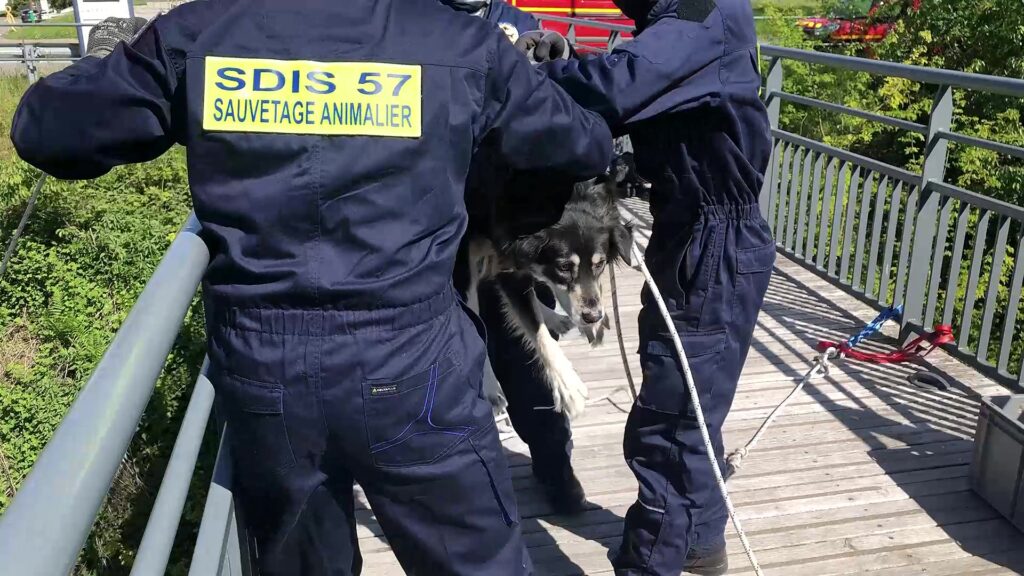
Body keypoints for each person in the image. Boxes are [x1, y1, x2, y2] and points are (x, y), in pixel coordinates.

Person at [10, 1, 613, 574]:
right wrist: (532, 75)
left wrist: (113, 60)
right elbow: (582, 143)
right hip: (411, 361)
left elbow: (46, 130)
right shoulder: (457, 41)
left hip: (264, 371)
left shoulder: (200, 34)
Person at [518, 1, 775, 574]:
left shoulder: (701, 14)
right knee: (690, 406)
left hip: (714, 240)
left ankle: (648, 562)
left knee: (671, 425)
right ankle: (700, 543)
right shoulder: (688, 19)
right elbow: (643, 79)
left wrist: (526, 76)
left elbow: (619, 82)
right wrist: (571, 58)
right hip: (697, 232)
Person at [442, 0, 592, 516]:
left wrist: (556, 55)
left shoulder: (511, 19)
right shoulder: (411, 19)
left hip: (505, 233)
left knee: (531, 374)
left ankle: (554, 467)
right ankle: (469, 491)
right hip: (441, 235)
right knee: (451, 373)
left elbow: (554, 81)